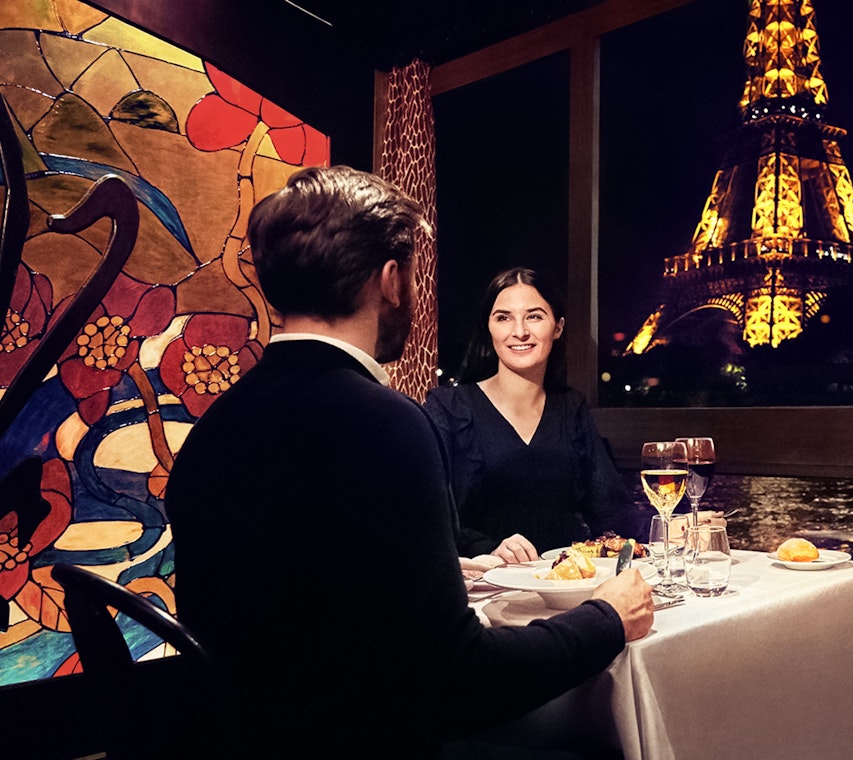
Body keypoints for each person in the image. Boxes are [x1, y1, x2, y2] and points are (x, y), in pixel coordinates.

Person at [165, 166, 653, 758]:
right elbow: (460, 680)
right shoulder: (387, 424)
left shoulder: (210, 432)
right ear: (392, 279)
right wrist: (606, 619)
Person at [425, 267, 643, 563]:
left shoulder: (571, 407)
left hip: (563, 583)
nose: (520, 331)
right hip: (486, 588)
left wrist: (673, 525)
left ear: (558, 327)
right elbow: (429, 514)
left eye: (534, 316)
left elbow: (611, 511)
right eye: (504, 317)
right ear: (488, 327)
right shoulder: (448, 407)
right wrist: (487, 549)